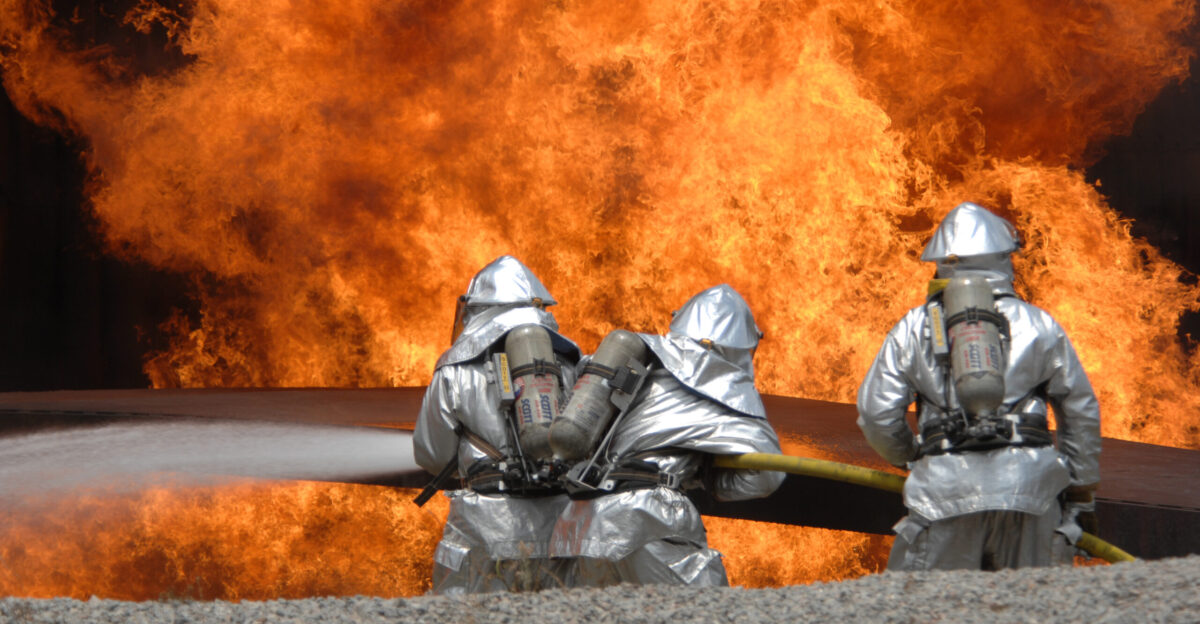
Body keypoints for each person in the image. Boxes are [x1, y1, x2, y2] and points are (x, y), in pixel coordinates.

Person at [856, 202, 1101, 571]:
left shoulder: (912, 327)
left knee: (932, 611)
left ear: (940, 262)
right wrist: (1080, 490)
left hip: (944, 494)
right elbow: (1080, 411)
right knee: (1030, 609)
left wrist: (912, 456)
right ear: (1004, 260)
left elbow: (876, 415)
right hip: (1030, 493)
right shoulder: (1039, 324)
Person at [549, 284, 785, 587]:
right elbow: (765, 475)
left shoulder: (637, 360)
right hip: (650, 519)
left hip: (580, 518)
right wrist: (703, 476)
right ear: (742, 346)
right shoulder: (722, 383)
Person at [413, 255, 581, 594]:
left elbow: (432, 454)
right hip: (561, 526)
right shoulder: (567, 363)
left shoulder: (455, 369)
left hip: (484, 525)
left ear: (477, 309)